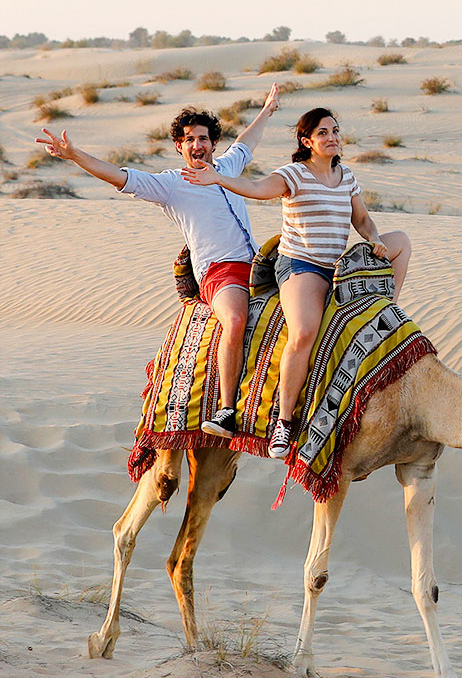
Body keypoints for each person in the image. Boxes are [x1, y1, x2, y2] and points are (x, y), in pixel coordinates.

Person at [36, 85, 283, 439]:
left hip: (259, 262)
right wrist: (75, 156)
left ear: (213, 143)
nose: (197, 145)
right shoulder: (170, 185)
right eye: (189, 139)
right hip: (220, 270)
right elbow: (119, 175)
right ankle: (228, 409)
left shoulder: (226, 167)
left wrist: (267, 109)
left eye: (203, 138)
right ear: (179, 146)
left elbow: (247, 142)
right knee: (235, 319)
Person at [183, 107, 411, 460]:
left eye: (335, 130)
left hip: (338, 265)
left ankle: (387, 307)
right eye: (323, 133)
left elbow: (363, 218)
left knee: (402, 242)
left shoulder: (346, 176)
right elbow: (257, 188)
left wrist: (375, 237)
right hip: (301, 265)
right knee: (303, 332)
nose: (333, 137)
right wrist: (219, 179)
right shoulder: (294, 174)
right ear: (307, 142)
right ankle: (284, 421)